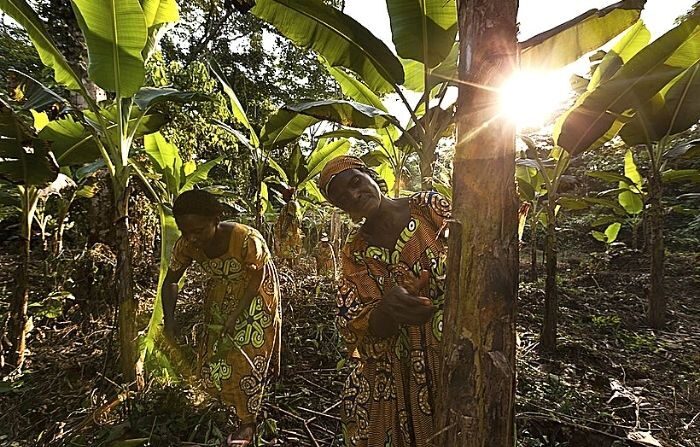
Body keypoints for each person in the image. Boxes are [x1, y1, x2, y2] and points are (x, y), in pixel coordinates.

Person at [318, 156, 450, 447]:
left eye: (355, 182)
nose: (353, 196)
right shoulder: (355, 252)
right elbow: (356, 322)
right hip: (399, 365)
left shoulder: (428, 208)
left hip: (452, 348)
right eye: (341, 198)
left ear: (368, 175)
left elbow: (474, 256)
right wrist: (388, 309)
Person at [162, 189, 281, 446]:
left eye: (200, 230)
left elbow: (256, 278)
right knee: (215, 354)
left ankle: (248, 422)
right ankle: (222, 406)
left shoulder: (246, 239)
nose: (193, 238)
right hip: (220, 294)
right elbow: (171, 280)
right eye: (186, 232)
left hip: (255, 295)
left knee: (246, 354)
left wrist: (236, 316)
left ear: (217, 218)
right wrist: (169, 324)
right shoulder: (187, 245)